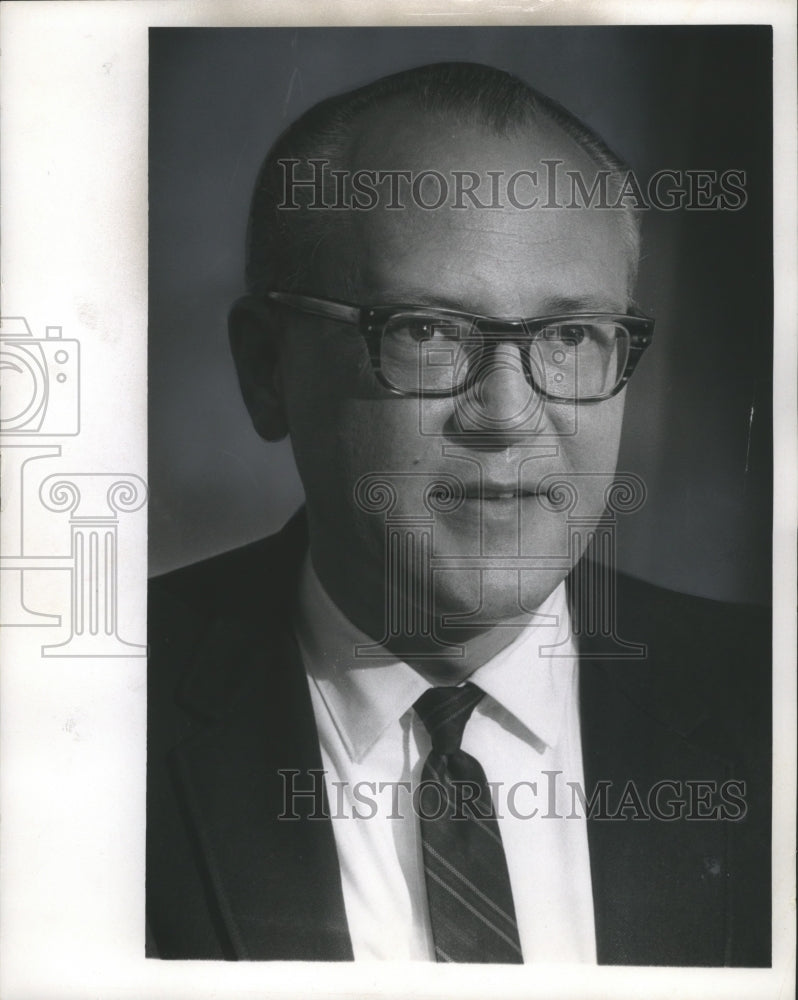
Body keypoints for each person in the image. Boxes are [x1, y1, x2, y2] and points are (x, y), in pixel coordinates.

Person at [146, 62, 770, 965]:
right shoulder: (78, 723)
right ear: (267, 367)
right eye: (428, 330)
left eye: (571, 337)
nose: (509, 413)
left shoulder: (766, 703)